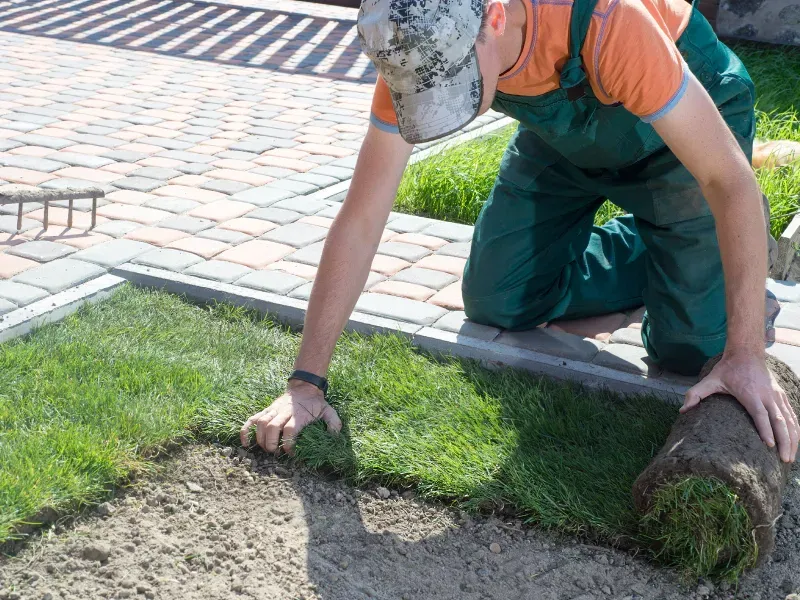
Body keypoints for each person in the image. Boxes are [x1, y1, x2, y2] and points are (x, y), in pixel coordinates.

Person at [241, 0, 800, 463]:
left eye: (454, 86)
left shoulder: (610, 21)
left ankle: (723, 263)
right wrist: (306, 382)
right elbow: (362, 217)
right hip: (566, 137)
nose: (440, 108)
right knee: (497, 298)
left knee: (690, 349)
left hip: (683, 129)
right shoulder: (416, 47)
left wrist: (745, 352)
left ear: (496, 18)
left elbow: (727, 179)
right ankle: (686, 253)